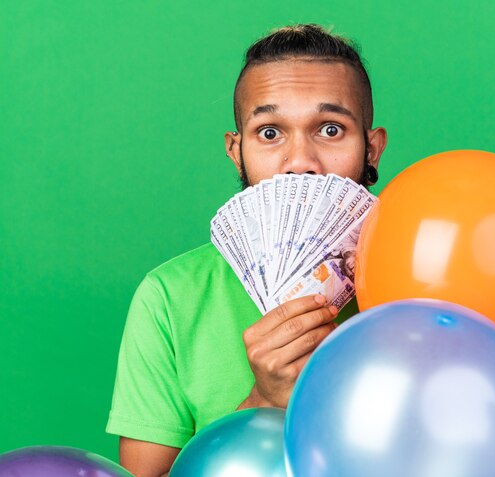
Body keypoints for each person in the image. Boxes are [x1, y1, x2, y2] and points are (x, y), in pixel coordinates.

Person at [106, 24, 387, 477]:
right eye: (270, 132)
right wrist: (263, 402)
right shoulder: (169, 298)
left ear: (371, 148)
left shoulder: (426, 284)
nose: (300, 161)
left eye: (331, 129)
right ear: (236, 152)